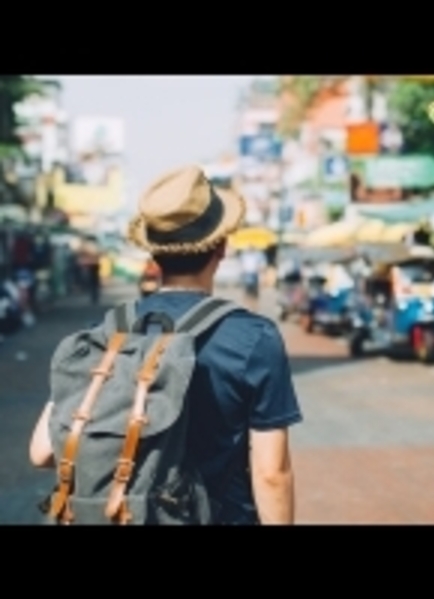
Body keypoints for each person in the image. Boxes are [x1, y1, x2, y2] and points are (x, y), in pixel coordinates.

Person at [29, 165, 301, 524]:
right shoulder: (253, 338)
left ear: (153, 255)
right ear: (221, 247)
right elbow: (271, 473)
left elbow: (42, 452)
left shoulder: (106, 334)